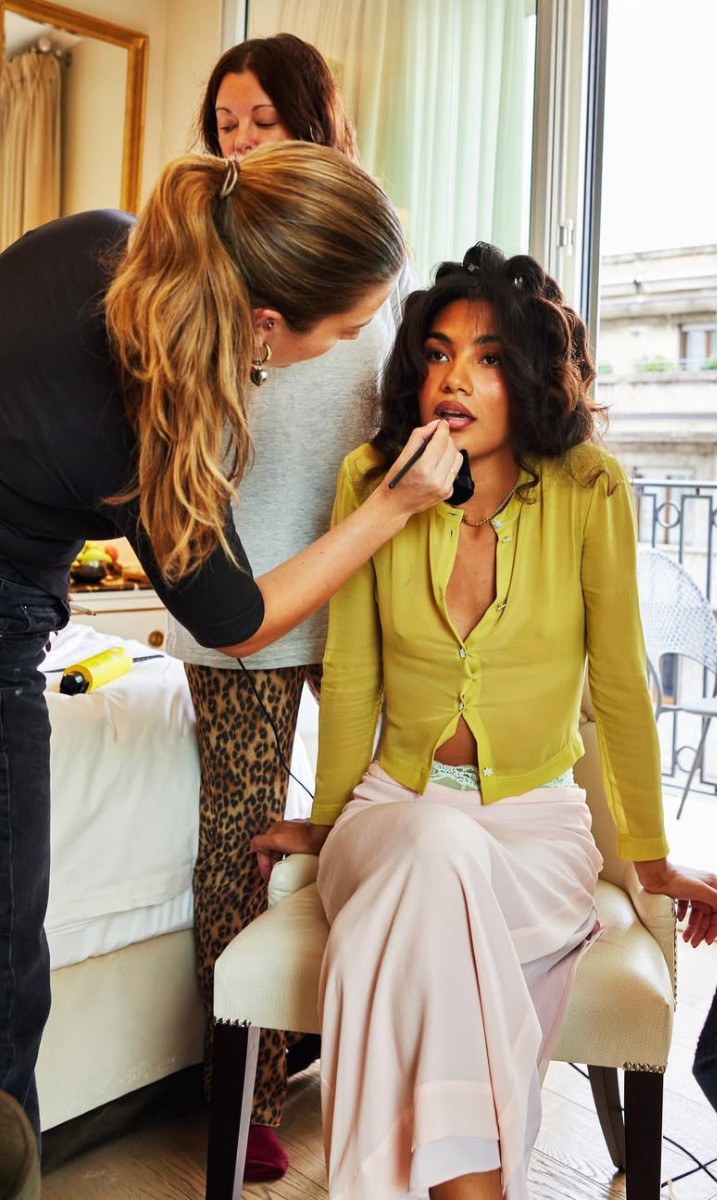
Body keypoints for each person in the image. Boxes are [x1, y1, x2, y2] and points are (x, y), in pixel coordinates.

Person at [0, 139, 464, 1160]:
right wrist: (391, 508)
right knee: (4, 974)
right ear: (266, 322)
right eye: (345, 332)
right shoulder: (149, 416)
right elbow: (237, 618)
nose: (353, 349)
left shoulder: (109, 241)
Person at [253, 244, 717, 1200]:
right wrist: (331, 820)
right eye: (437, 354)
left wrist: (648, 858)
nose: (454, 379)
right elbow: (352, 673)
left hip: (536, 833)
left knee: (431, 891)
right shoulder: (374, 477)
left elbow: (621, 687)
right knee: (431, 845)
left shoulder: (590, 488)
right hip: (396, 810)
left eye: (488, 357)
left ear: (533, 376)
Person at [164, 34, 417, 1180]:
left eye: (262, 120)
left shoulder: (366, 259)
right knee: (239, 843)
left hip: (356, 596)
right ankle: (245, 1092)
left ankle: (374, 1050)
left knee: (382, 816)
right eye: (225, 124)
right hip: (237, 605)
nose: (240, 142)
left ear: (316, 121)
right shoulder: (204, 276)